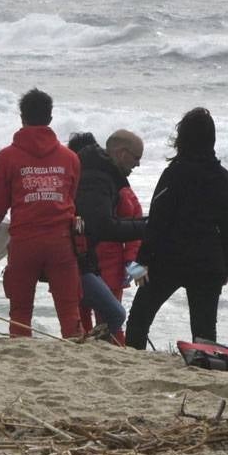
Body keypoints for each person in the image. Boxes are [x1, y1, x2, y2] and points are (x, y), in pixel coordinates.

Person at [126, 108, 228, 350]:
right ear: (212, 140)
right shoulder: (224, 178)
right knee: (204, 332)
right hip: (208, 262)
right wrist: (227, 266)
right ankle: (204, 372)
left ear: (183, 139)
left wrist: (141, 261)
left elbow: (157, 220)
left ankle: (132, 362)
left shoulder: (174, 174)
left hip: (169, 259)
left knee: (138, 320)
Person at [0, 88, 83, 338]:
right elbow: (71, 197)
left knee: (20, 310)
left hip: (24, 241)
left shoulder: (5, 158)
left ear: (22, 117)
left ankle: (20, 353)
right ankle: (74, 351)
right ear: (50, 117)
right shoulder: (70, 158)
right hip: (61, 241)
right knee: (70, 309)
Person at [68, 131, 146, 345]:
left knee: (104, 321)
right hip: (88, 262)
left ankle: (109, 351)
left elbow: (133, 225)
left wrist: (135, 267)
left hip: (108, 265)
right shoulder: (85, 182)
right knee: (87, 319)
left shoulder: (113, 187)